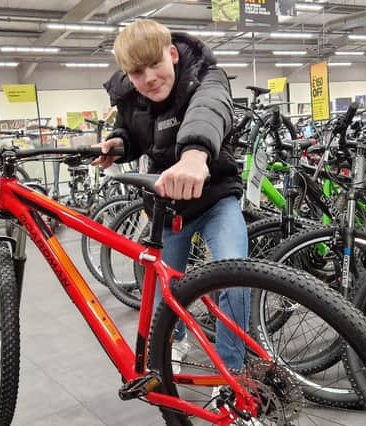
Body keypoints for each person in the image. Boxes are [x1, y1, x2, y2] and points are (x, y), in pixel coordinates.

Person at [94, 19, 248, 372]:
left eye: (155, 65)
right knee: (168, 291)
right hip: (167, 209)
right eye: (136, 72)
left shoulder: (207, 77)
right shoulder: (131, 97)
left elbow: (208, 111)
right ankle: (175, 343)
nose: (148, 78)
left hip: (214, 199)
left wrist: (195, 154)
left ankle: (232, 372)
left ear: (173, 55)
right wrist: (118, 145)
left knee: (235, 279)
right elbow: (134, 132)